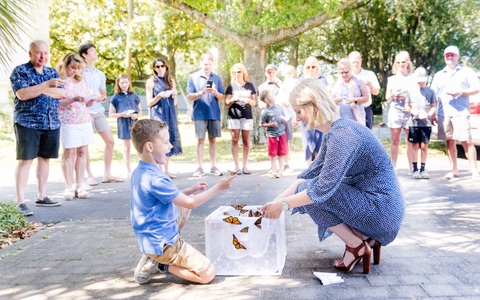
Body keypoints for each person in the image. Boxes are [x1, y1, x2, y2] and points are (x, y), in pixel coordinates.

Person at [259, 78, 405, 274]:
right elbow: (309, 174)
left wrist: (284, 205)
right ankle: (362, 240)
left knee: (311, 194)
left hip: (382, 210)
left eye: (299, 112)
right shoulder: (337, 131)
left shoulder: (342, 135)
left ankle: (357, 245)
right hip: (381, 206)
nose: (297, 119)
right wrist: (274, 203)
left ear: (313, 106)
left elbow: (321, 189)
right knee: (307, 190)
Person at [130, 119, 236, 284]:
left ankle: (158, 257)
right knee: (208, 274)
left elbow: (175, 198)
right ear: (149, 147)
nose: (170, 146)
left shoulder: (141, 171)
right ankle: (161, 263)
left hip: (149, 237)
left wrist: (190, 191)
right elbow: (190, 204)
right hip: (163, 243)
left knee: (187, 202)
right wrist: (218, 187)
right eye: (166, 142)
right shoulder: (156, 178)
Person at [10, 40, 67, 216]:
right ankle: (20, 201)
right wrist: (46, 86)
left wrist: (38, 89)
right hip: (27, 122)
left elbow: (62, 93)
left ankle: (41, 196)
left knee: (45, 159)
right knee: (25, 160)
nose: (43, 56)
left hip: (51, 122)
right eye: (38, 53)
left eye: (45, 53)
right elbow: (23, 94)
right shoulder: (21, 71)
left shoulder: (52, 72)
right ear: (30, 53)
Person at [431, 46, 480, 180]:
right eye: (447, 55)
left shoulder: (466, 71)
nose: (449, 57)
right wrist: (432, 113)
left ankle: (474, 171)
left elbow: (477, 88)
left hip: (461, 112)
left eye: (452, 55)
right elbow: (433, 95)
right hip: (443, 113)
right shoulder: (439, 75)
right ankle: (454, 170)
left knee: (466, 141)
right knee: (449, 142)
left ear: (458, 56)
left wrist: (460, 92)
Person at [78, 43, 124, 184]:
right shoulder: (79, 72)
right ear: (84, 55)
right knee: (85, 145)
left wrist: (100, 98)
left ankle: (107, 174)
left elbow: (104, 95)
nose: (96, 53)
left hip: (98, 111)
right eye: (92, 51)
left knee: (110, 141)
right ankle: (89, 176)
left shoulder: (100, 74)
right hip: (85, 112)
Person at [57, 53, 96, 200]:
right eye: (72, 67)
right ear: (65, 64)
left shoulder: (81, 80)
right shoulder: (59, 81)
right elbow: (57, 103)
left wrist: (90, 101)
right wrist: (72, 99)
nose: (75, 71)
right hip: (68, 121)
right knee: (69, 153)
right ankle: (69, 186)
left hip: (84, 120)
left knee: (82, 153)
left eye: (77, 68)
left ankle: (80, 185)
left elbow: (85, 99)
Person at [187, 54, 225, 177]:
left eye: (209, 64)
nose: (207, 66)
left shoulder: (217, 78)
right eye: (205, 64)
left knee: (213, 140)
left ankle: (213, 166)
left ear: (212, 64)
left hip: (214, 113)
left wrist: (216, 93)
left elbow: (221, 97)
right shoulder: (193, 78)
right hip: (199, 113)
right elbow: (189, 96)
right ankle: (200, 167)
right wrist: (201, 92)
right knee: (201, 140)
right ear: (201, 63)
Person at [146, 58, 182, 179]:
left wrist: (175, 95)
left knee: (168, 141)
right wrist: (159, 96)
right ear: (154, 69)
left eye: (162, 66)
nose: (160, 68)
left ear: (166, 67)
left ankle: (167, 170)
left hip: (170, 114)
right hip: (158, 114)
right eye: (157, 66)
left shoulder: (171, 80)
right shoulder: (151, 81)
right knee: (159, 141)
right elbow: (149, 102)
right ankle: (159, 170)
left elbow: (175, 103)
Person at [404, 67, 437, 179]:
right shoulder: (411, 91)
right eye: (419, 80)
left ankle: (423, 169)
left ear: (427, 78)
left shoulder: (431, 92)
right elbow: (407, 105)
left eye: (423, 80)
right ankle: (415, 169)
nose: (421, 82)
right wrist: (412, 111)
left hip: (426, 124)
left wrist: (429, 115)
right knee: (414, 146)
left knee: (424, 146)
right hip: (413, 123)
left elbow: (433, 106)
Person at [385, 51, 415, 174]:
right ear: (395, 64)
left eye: (403, 62)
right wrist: (393, 95)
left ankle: (412, 167)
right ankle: (393, 167)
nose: (400, 64)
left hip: (409, 113)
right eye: (398, 62)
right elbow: (387, 97)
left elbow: (418, 95)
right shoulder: (391, 79)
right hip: (395, 112)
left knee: (410, 141)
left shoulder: (413, 78)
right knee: (395, 141)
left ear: (408, 63)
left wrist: (408, 96)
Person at [224, 63, 256, 175]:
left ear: (243, 73)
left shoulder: (250, 86)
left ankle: (245, 166)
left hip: (247, 116)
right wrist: (233, 98)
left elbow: (254, 102)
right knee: (234, 140)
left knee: (246, 141)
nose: (236, 74)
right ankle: (236, 166)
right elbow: (226, 103)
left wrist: (249, 101)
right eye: (234, 72)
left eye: (239, 72)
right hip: (233, 116)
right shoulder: (231, 86)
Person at [109, 74, 142, 178]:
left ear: (129, 83)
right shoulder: (115, 97)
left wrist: (136, 115)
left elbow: (140, 111)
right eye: (122, 82)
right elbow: (110, 114)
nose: (124, 84)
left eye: (126, 82)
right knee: (127, 148)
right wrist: (121, 114)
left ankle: (142, 168)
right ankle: (128, 171)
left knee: (138, 147)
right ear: (118, 83)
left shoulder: (134, 96)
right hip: (123, 123)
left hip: (135, 123)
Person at [298, 56, 328, 165]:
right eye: (308, 66)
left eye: (313, 66)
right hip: (306, 114)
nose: (311, 68)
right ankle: (309, 169)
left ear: (317, 67)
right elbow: (298, 97)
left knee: (320, 142)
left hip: (320, 115)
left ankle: (317, 169)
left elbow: (326, 96)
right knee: (307, 142)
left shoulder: (322, 79)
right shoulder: (302, 80)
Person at [331, 58, 369, 125]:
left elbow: (366, 98)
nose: (344, 74)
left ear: (351, 70)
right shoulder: (337, 85)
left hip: (356, 120)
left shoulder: (359, 82)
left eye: (346, 72)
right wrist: (336, 100)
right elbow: (331, 100)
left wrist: (355, 100)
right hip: (341, 120)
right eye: (342, 73)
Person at [348, 51, 381, 130]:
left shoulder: (369, 74)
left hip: (366, 109)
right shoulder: (345, 75)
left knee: (367, 136)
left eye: (357, 62)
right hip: (350, 110)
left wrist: (371, 87)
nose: (355, 64)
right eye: (353, 62)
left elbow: (376, 92)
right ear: (349, 62)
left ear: (361, 61)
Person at [259, 90, 287, 178]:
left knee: (281, 153)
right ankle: (274, 171)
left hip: (282, 133)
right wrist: (271, 124)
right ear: (266, 100)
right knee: (273, 153)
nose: (273, 96)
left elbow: (284, 118)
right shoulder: (265, 111)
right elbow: (261, 124)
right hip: (272, 135)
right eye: (271, 96)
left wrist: (284, 121)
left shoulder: (279, 107)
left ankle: (281, 171)